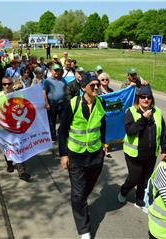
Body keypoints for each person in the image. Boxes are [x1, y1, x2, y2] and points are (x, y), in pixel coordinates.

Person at [59, 71, 107, 239]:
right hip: (76, 155)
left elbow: (102, 124)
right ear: (83, 87)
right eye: (92, 85)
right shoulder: (73, 104)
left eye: (97, 84)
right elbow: (62, 131)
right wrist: (63, 155)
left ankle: (80, 204)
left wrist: (104, 143)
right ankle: (84, 230)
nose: (96, 87)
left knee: (87, 187)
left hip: (95, 155)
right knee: (78, 194)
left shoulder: (101, 103)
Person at [118, 85, 166, 209]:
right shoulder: (131, 111)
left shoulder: (157, 112)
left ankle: (139, 198)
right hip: (134, 153)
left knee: (145, 178)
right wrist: (143, 119)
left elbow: (162, 131)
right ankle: (123, 191)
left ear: (152, 99)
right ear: (138, 99)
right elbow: (130, 131)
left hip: (151, 154)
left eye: (148, 97)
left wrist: (164, 149)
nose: (145, 100)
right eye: (142, 97)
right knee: (134, 177)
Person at [0, 76, 31, 182]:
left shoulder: (18, 95)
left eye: (9, 84)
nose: (7, 86)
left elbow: (25, 107)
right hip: (3, 125)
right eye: (4, 84)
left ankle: (22, 171)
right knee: (7, 146)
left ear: (12, 84)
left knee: (18, 146)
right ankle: (10, 164)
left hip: (16, 125)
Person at [43, 64, 68, 141]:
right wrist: (46, 103)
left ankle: (61, 133)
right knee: (52, 121)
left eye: (58, 70)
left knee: (63, 120)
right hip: (52, 104)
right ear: (51, 71)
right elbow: (44, 92)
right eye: (55, 70)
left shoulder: (63, 79)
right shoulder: (47, 81)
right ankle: (53, 135)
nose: (57, 72)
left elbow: (66, 90)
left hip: (62, 104)